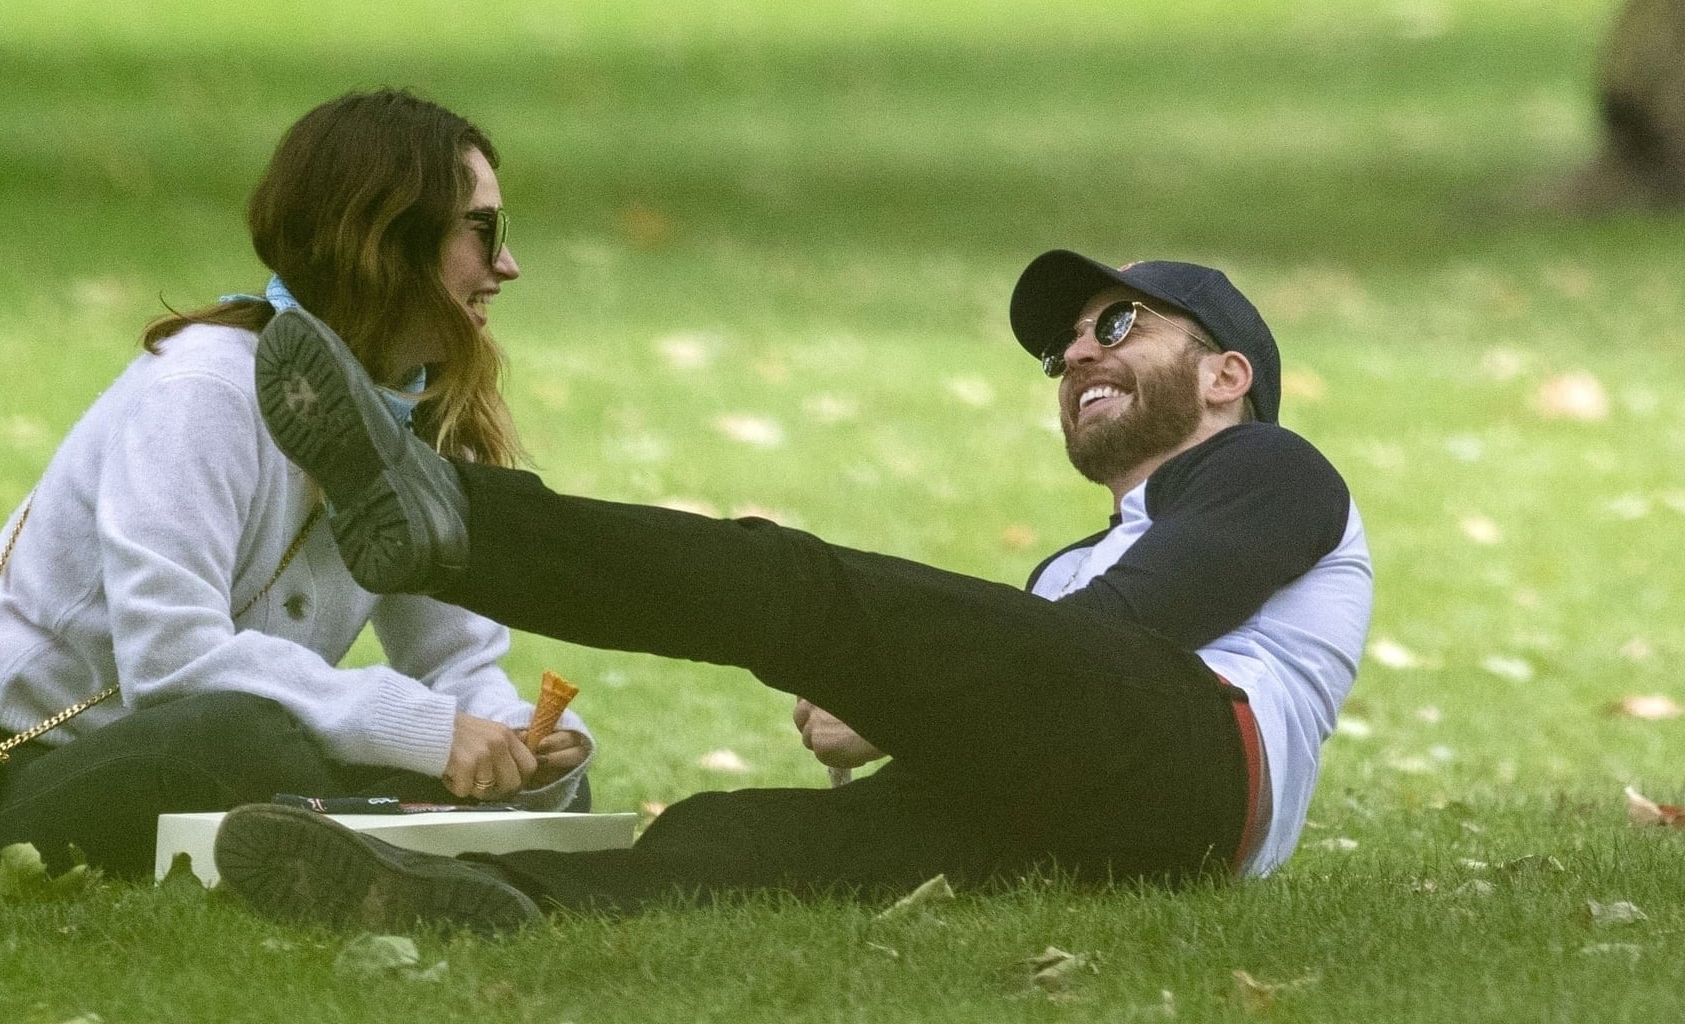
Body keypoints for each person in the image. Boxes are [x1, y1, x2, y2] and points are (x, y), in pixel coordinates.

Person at [212, 249, 1373, 932]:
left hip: (1197, 772)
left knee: (790, 583)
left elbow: (1132, 632)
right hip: (1100, 839)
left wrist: (888, 689)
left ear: (1227, 374)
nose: (1074, 356)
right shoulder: (1068, 567)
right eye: (1060, 347)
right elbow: (1053, 672)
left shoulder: (1272, 468)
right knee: (752, 839)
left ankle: (460, 516)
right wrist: (910, 712)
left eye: (1115, 323)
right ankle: (473, 895)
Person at [0, 89, 591, 878]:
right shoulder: (207, 388)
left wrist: (516, 738)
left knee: (508, 779)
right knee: (235, 737)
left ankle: (387, 869)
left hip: (234, 756)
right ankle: (390, 863)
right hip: (4, 787)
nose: (508, 265)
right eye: (483, 230)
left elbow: (453, 660)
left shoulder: (419, 407)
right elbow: (172, 660)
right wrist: (426, 732)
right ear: (385, 237)